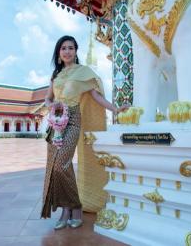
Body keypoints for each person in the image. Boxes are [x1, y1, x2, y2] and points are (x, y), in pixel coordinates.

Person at [41, 35, 128, 230]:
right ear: (58, 52)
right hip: (55, 123)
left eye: (71, 48)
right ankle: (67, 208)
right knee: (57, 167)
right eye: (63, 48)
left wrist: (115, 109)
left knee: (63, 162)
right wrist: (51, 105)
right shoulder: (55, 76)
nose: (67, 51)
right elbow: (47, 99)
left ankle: (75, 207)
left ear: (75, 51)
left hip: (72, 119)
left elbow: (96, 96)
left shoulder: (84, 72)